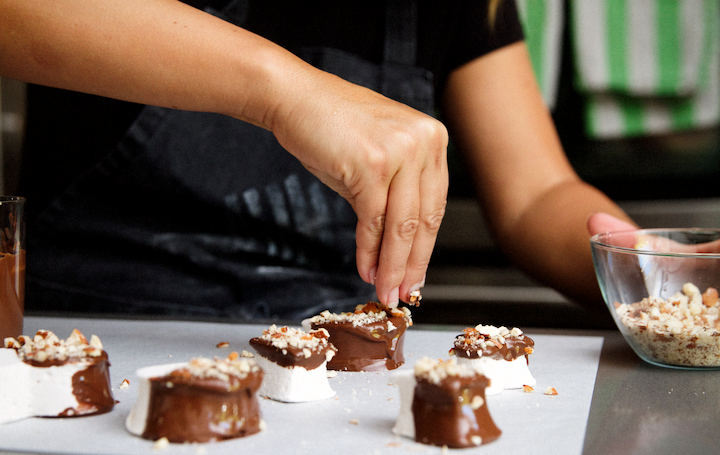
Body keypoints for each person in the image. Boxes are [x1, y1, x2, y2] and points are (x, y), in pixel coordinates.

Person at [0, 0, 634, 321]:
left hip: (329, 354)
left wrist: (655, 275)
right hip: (93, 328)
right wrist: (285, 92)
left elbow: (536, 194)